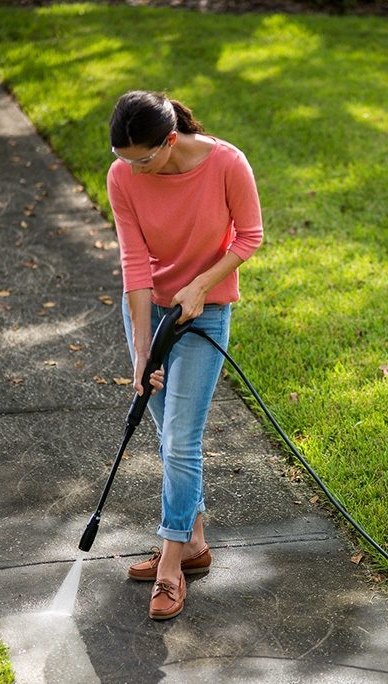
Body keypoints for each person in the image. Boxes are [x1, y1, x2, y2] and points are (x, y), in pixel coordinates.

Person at [106, 91, 263, 620]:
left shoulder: (226, 164)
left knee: (179, 438)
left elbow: (250, 237)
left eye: (142, 159)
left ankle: (172, 564)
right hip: (150, 312)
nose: (132, 169)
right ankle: (194, 542)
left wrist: (201, 285)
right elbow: (133, 262)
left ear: (170, 141)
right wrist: (140, 350)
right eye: (123, 158)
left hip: (204, 313)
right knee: (166, 431)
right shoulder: (123, 175)